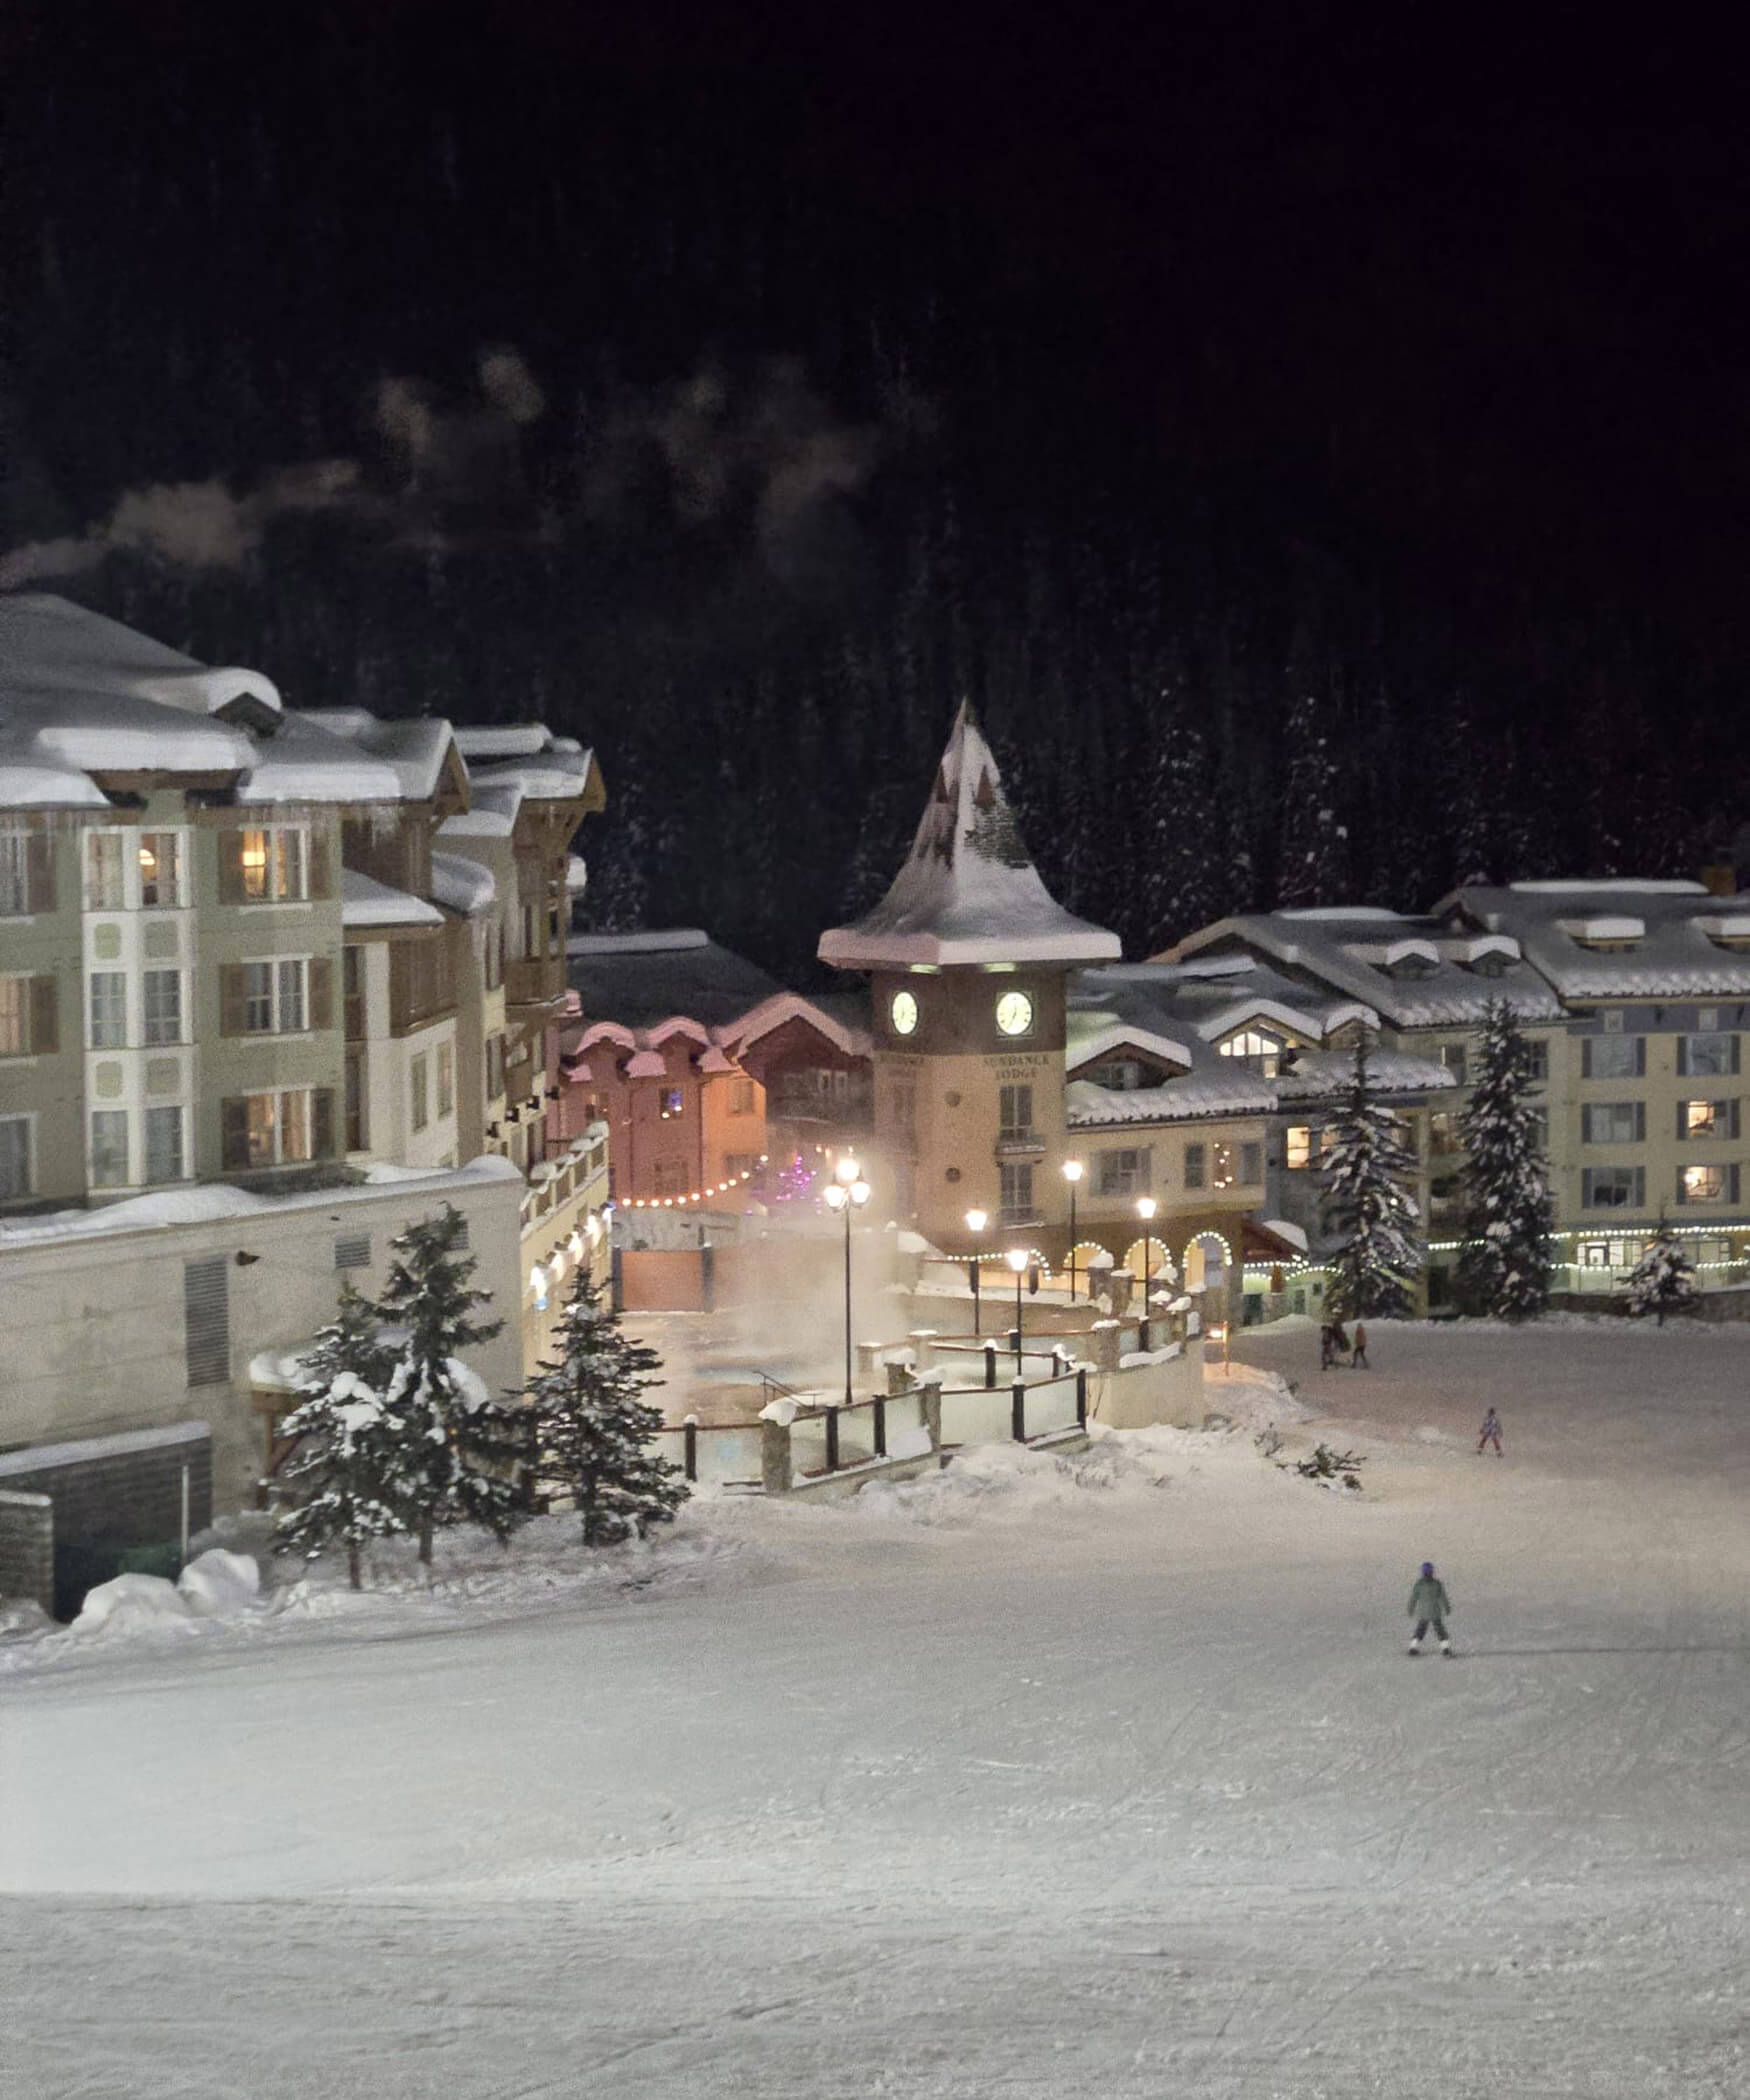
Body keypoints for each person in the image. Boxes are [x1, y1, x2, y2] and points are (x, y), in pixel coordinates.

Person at [1407, 1561, 1453, 1656]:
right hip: (1435, 1612)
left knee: (1420, 1630)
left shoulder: (1419, 1584)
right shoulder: (1437, 1584)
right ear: (1432, 1572)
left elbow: (1413, 1598)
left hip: (1423, 1612)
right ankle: (1445, 1648)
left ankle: (1413, 1647)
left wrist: (1410, 1609)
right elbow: (1442, 1598)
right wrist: (1447, 1608)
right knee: (1440, 1630)